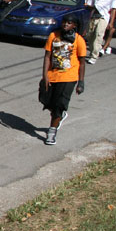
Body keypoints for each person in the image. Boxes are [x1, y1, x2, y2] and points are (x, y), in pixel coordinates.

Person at [40, 14, 86, 145]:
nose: (66, 24)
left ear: (74, 26)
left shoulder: (79, 40)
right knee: (46, 101)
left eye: (69, 23)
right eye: (65, 22)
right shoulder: (53, 36)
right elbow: (47, 56)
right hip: (52, 75)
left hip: (68, 77)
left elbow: (82, 62)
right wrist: (45, 76)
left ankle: (52, 132)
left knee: (59, 105)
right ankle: (59, 114)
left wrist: (81, 82)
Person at [85, 0, 116, 64]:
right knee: (90, 36)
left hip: (103, 18)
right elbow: (89, 5)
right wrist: (90, 6)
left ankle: (94, 56)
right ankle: (92, 51)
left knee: (98, 36)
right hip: (93, 17)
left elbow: (113, 10)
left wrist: (111, 23)